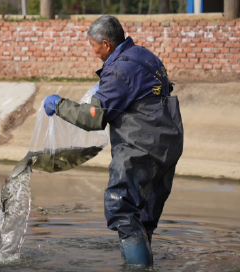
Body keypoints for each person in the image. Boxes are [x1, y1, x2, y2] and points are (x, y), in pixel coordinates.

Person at [43, 15, 183, 267]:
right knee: (143, 216)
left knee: (120, 207)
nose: (94, 52)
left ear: (106, 44)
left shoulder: (118, 70)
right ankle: (143, 262)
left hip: (141, 145)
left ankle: (138, 267)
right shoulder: (144, 55)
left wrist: (59, 104)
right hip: (169, 143)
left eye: (93, 46)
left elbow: (93, 118)